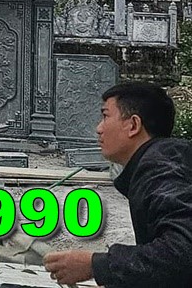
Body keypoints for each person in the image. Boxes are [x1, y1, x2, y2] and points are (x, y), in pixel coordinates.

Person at [43, 82, 192, 287]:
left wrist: (95, 265)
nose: (98, 129)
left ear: (133, 125)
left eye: (105, 116)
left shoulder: (160, 168)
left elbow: (182, 253)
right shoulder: (164, 160)